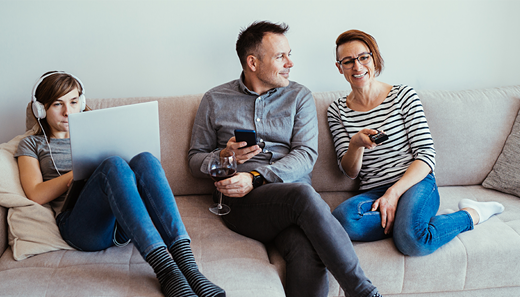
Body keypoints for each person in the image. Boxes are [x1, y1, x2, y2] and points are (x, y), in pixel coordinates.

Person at [188, 21, 382, 297]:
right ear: (253, 62)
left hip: (291, 200)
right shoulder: (215, 99)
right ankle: (363, 291)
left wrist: (255, 177)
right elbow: (194, 161)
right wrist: (224, 156)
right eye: (281, 56)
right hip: (244, 203)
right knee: (302, 196)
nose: (290, 62)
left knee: (308, 249)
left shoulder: (299, 96)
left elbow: (306, 155)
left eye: (289, 54)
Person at [15, 71, 225, 297]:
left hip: (123, 223)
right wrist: (75, 174)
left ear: (82, 102)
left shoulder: (99, 130)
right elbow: (35, 194)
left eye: (74, 102)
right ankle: (166, 271)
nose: (68, 111)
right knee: (112, 165)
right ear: (40, 109)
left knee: (145, 159)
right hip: (81, 227)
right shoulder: (32, 144)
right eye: (57, 104)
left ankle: (189, 268)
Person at [327, 30, 505, 256]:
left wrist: (393, 193)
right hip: (373, 192)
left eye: (364, 57)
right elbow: (350, 172)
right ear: (339, 67)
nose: (357, 66)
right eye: (348, 61)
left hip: (415, 183)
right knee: (341, 221)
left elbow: (426, 156)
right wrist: (355, 144)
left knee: (413, 242)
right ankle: (406, 221)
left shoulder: (403, 96)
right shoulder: (336, 111)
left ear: (374, 58)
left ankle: (472, 213)